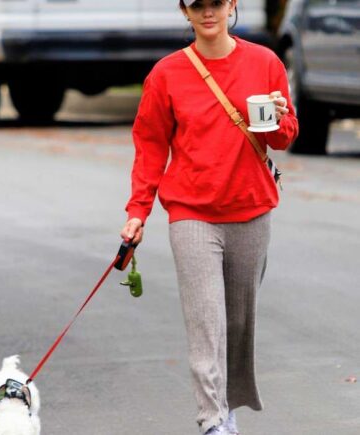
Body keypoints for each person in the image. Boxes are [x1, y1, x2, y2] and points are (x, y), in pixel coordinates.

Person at [120, 0, 299, 434]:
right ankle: (213, 420)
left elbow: (284, 136)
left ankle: (227, 406)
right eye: (197, 5)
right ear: (185, 11)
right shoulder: (166, 75)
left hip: (251, 210)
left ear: (231, 5)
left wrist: (277, 118)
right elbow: (149, 146)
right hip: (191, 213)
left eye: (216, 3)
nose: (207, 12)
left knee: (237, 323)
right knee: (206, 321)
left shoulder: (265, 62)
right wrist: (137, 210)